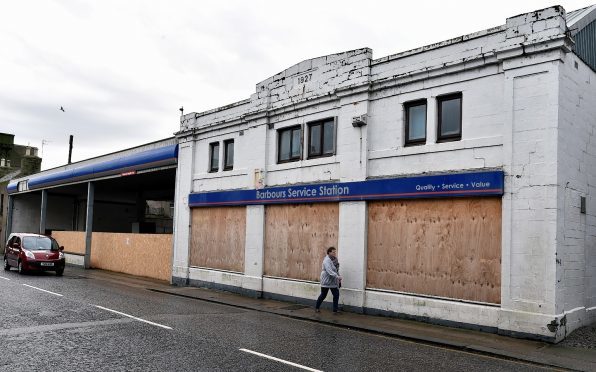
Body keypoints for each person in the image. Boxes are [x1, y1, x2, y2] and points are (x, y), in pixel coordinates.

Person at [315, 246, 342, 313]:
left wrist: (338, 277)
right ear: (329, 252)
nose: (334, 253)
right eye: (333, 252)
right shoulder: (326, 261)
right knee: (323, 295)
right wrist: (337, 277)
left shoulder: (335, 260)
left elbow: (336, 269)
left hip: (332, 280)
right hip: (326, 280)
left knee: (336, 294)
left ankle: (335, 310)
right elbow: (329, 271)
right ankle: (317, 307)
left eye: (335, 252)